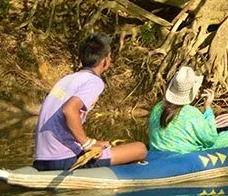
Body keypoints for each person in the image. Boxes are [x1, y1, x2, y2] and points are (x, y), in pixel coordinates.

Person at [33, 33, 147, 171]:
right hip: (63, 160)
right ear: (106, 60)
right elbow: (69, 111)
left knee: (106, 145)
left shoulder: (67, 79)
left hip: (41, 160)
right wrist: (87, 145)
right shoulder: (94, 81)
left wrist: (94, 142)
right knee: (140, 149)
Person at [148, 66, 228, 153]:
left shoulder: (157, 107)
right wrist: (207, 108)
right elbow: (210, 139)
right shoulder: (191, 113)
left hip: (159, 152)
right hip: (187, 156)